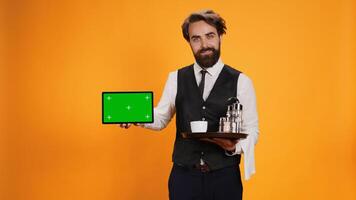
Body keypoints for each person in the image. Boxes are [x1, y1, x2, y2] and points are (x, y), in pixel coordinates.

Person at [120, 9, 259, 200]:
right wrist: (135, 115)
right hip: (184, 178)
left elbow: (252, 130)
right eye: (196, 38)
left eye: (210, 36)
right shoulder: (175, 78)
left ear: (220, 36)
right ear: (189, 42)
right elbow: (161, 118)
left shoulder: (241, 81)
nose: (204, 45)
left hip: (224, 178)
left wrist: (233, 148)